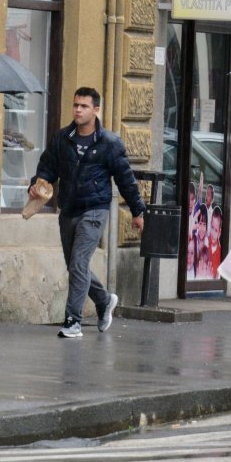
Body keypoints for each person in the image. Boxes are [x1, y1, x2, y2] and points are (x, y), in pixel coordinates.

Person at [29, 87, 145, 338]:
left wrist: (138, 212)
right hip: (68, 208)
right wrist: (36, 184)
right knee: (75, 266)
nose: (78, 110)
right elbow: (48, 167)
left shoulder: (110, 144)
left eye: (83, 106)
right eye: (75, 105)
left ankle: (73, 321)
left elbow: (126, 180)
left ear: (96, 109)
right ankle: (103, 301)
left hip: (95, 210)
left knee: (80, 262)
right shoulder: (62, 138)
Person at [208, 206, 222, 279]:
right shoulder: (205, 243)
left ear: (219, 232)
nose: (213, 233)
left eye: (216, 230)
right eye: (212, 227)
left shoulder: (221, 252)